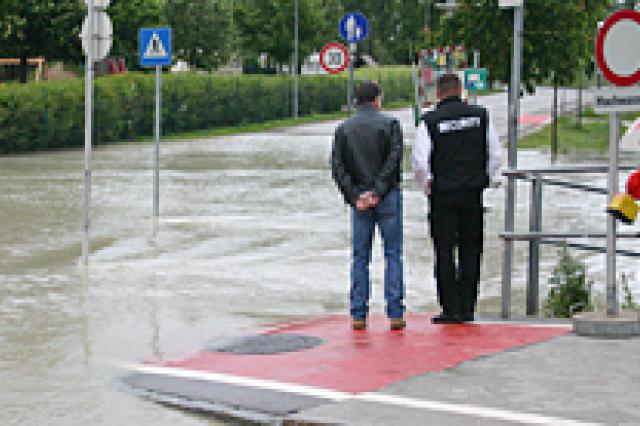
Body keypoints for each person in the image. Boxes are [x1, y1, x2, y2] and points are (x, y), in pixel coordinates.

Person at [412, 74, 502, 324]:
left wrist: (428, 186)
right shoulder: (481, 116)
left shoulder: (429, 121)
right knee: (471, 250)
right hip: (473, 194)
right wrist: (483, 179)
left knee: (444, 251)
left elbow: (420, 162)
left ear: (438, 93)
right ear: (460, 90)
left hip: (442, 195)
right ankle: (467, 307)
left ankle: (450, 309)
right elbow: (495, 155)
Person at [331, 80, 405, 331]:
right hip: (388, 197)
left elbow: (338, 168)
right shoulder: (391, 125)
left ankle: (358, 314)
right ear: (377, 100)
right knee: (392, 254)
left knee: (360, 257)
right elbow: (394, 160)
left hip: (359, 201)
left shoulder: (343, 129)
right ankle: (395, 312)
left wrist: (356, 196)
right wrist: (379, 190)